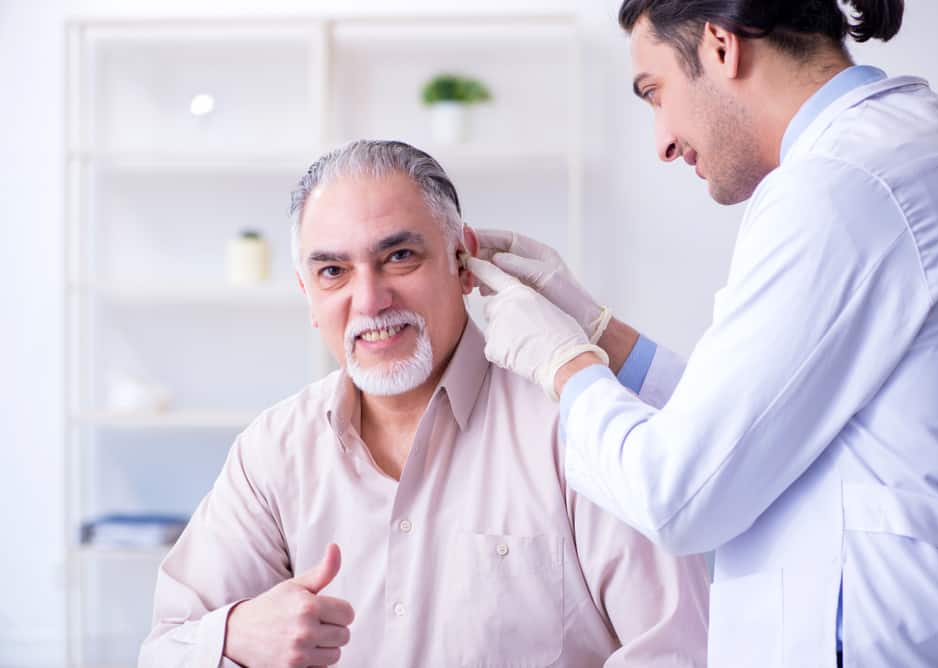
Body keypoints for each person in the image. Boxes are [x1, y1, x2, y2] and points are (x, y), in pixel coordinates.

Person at [466, 1, 938, 667]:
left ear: (720, 46)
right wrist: (601, 332)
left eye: (654, 92)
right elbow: (763, 421)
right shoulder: (904, 150)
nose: (660, 139)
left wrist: (564, 364)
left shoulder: (839, 189)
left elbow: (681, 494)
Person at [137, 139, 709, 668]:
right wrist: (235, 633)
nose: (370, 299)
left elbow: (678, 651)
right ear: (308, 295)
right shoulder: (273, 451)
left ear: (463, 263)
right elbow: (165, 648)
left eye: (399, 257)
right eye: (333, 271)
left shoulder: (573, 425)